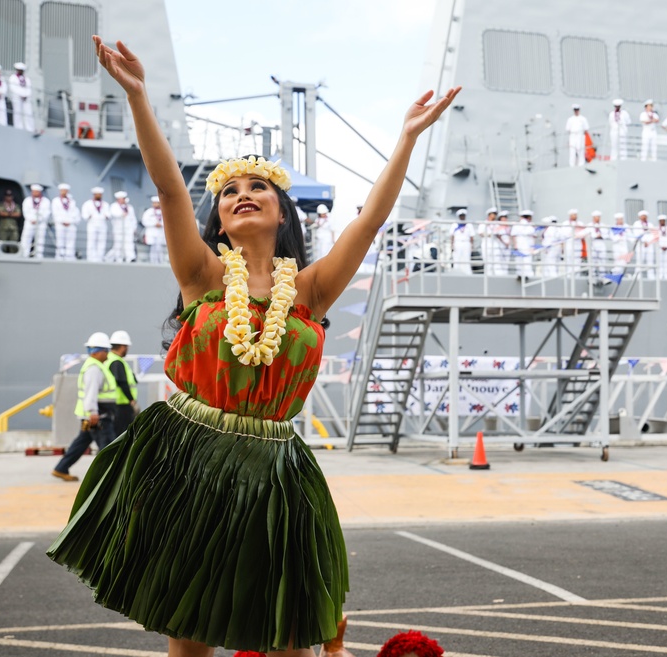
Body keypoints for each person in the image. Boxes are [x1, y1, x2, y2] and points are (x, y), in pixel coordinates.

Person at [48, 35, 459, 657]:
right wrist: (137, 96)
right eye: (229, 189)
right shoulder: (203, 275)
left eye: (257, 187)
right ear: (220, 216)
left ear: (281, 212)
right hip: (188, 458)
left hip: (273, 469)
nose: (241, 192)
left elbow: (369, 221)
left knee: (285, 631)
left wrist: (406, 137)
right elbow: (167, 190)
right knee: (190, 629)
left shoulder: (312, 291)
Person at [51, 331, 118, 482]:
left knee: (81, 443)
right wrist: (93, 412)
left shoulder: (94, 366)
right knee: (108, 446)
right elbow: (91, 392)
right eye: (106, 351)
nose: (108, 354)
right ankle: (108, 478)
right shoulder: (94, 369)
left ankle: (61, 468)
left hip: (91, 416)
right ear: (99, 351)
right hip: (97, 417)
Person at [107, 330, 139, 436]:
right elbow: (122, 382)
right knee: (122, 434)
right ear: (122, 346)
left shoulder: (110, 359)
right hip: (121, 405)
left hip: (116, 403)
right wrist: (131, 400)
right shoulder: (117, 362)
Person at [20, 184, 51, 258]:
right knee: (26, 238)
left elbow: (47, 213)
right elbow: (25, 212)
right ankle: (24, 254)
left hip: (41, 223)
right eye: (33, 191)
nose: (34, 193)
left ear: (40, 192)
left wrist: (38, 220)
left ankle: (38, 255)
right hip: (29, 222)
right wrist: (32, 219)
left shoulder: (46, 201)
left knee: (40, 240)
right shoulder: (27, 200)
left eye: (36, 191)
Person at [52, 183, 80, 260]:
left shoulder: (72, 202)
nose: (64, 192)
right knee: (60, 241)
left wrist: (70, 222)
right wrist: (62, 221)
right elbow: (55, 213)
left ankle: (70, 256)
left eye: (65, 190)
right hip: (60, 224)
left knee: (70, 242)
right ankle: (59, 256)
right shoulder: (56, 201)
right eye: (62, 190)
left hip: (70, 224)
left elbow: (75, 213)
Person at [81, 187, 109, 262]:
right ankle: (91, 257)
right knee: (91, 241)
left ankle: (100, 257)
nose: (99, 196)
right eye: (98, 194)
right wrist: (89, 216)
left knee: (102, 241)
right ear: (94, 194)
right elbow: (84, 214)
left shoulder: (105, 204)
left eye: (100, 194)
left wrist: (106, 216)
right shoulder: (87, 204)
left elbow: (109, 215)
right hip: (92, 224)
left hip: (102, 224)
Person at [479, 207, 509, 276]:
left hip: (495, 243)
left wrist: (504, 243)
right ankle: (488, 275)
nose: (495, 215)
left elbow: (499, 235)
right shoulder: (483, 224)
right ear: (489, 215)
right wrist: (489, 235)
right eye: (494, 214)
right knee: (487, 261)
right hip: (487, 243)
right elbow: (481, 233)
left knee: (497, 260)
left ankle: (498, 275)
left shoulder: (497, 224)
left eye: (495, 214)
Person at [511, 209, 536, 279]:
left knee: (519, 261)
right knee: (527, 262)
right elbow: (534, 236)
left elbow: (513, 236)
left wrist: (515, 245)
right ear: (529, 217)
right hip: (528, 246)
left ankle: (519, 274)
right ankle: (528, 275)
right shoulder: (531, 226)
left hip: (519, 246)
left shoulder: (516, 225)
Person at [9, 63, 34, 132]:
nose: (21, 71)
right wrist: (21, 94)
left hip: (26, 98)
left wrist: (26, 95)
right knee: (17, 113)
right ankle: (18, 128)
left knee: (28, 113)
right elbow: (13, 88)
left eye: (22, 70)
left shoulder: (27, 78)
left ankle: (30, 128)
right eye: (19, 70)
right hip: (17, 97)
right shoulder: (13, 78)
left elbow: (29, 88)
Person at [107, 190, 131, 262]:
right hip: (118, 228)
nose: (124, 200)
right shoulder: (114, 206)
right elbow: (114, 214)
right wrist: (121, 215)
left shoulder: (128, 207)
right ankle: (117, 258)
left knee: (126, 244)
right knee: (118, 244)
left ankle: (127, 257)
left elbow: (131, 218)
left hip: (127, 228)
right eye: (123, 198)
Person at [142, 195, 166, 263]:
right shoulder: (148, 212)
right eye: (154, 203)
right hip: (152, 232)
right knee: (153, 248)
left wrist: (161, 224)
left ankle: (161, 261)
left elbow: (168, 221)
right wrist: (154, 224)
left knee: (160, 248)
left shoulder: (164, 211)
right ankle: (153, 261)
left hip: (160, 232)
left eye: (157, 203)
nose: (156, 204)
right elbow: (144, 221)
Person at [449, 208, 474, 274]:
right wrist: (452, 245)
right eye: (461, 216)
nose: (462, 217)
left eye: (463, 216)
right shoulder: (455, 225)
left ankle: (468, 273)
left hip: (466, 242)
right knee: (457, 258)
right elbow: (452, 236)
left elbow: (471, 236)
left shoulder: (469, 225)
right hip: (457, 242)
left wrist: (471, 246)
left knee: (466, 258)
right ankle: (456, 272)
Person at [633, 210, 655, 279]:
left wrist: (648, 241)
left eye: (645, 216)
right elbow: (636, 233)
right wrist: (644, 241)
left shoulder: (650, 224)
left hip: (649, 245)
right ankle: (637, 275)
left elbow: (653, 234)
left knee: (650, 260)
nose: (644, 217)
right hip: (640, 244)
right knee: (640, 260)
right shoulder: (636, 224)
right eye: (642, 216)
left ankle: (651, 276)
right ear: (640, 217)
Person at [562, 209, 584, 275]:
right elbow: (563, 233)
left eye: (576, 215)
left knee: (577, 261)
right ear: (570, 216)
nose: (575, 216)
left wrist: (577, 234)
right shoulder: (565, 223)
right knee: (569, 261)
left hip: (577, 244)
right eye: (573, 215)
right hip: (569, 244)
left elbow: (583, 233)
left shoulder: (580, 224)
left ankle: (577, 276)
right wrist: (571, 233)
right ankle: (569, 276)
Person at [609, 212, 631, 278]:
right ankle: (616, 273)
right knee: (617, 260)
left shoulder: (626, 227)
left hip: (624, 245)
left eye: (621, 219)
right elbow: (612, 237)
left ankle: (621, 273)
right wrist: (619, 237)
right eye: (619, 219)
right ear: (616, 220)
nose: (620, 221)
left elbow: (630, 235)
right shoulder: (613, 227)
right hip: (617, 245)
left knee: (624, 261)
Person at [588, 210, 607, 276]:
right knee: (593, 261)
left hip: (601, 243)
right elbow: (589, 234)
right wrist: (596, 235)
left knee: (602, 260)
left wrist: (601, 235)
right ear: (593, 217)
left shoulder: (603, 225)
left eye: (599, 217)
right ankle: (592, 276)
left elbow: (606, 234)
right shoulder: (590, 225)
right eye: (596, 217)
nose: (598, 218)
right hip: (593, 244)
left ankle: (602, 276)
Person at [655, 214, 667, 280]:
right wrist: (661, 246)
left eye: (663, 221)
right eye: (661, 221)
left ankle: (666, 276)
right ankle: (660, 275)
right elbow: (656, 238)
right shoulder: (656, 229)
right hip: (659, 248)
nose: (662, 222)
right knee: (659, 262)